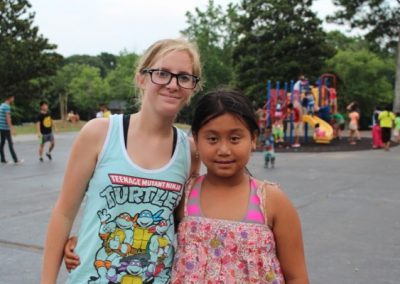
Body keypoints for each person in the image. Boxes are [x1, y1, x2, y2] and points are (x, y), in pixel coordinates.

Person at [41, 38, 202, 284]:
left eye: (184, 77)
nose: (172, 84)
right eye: (162, 73)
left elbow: (182, 224)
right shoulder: (100, 133)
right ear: (142, 78)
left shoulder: (188, 150)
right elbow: (64, 213)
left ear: (192, 87)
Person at [172, 89, 308, 282]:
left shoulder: (272, 201)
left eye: (235, 138)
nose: (224, 150)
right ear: (196, 139)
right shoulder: (183, 196)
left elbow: (297, 277)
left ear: (253, 139)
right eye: (212, 139)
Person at [0, 95, 23, 165]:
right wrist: (12, 129)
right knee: (10, 143)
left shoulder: (2, 105)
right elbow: (8, 119)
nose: (13, 99)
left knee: (2, 143)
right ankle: (15, 160)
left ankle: (3, 159)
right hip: (5, 128)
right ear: (9, 98)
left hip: (1, 127)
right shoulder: (7, 106)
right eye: (13, 98)